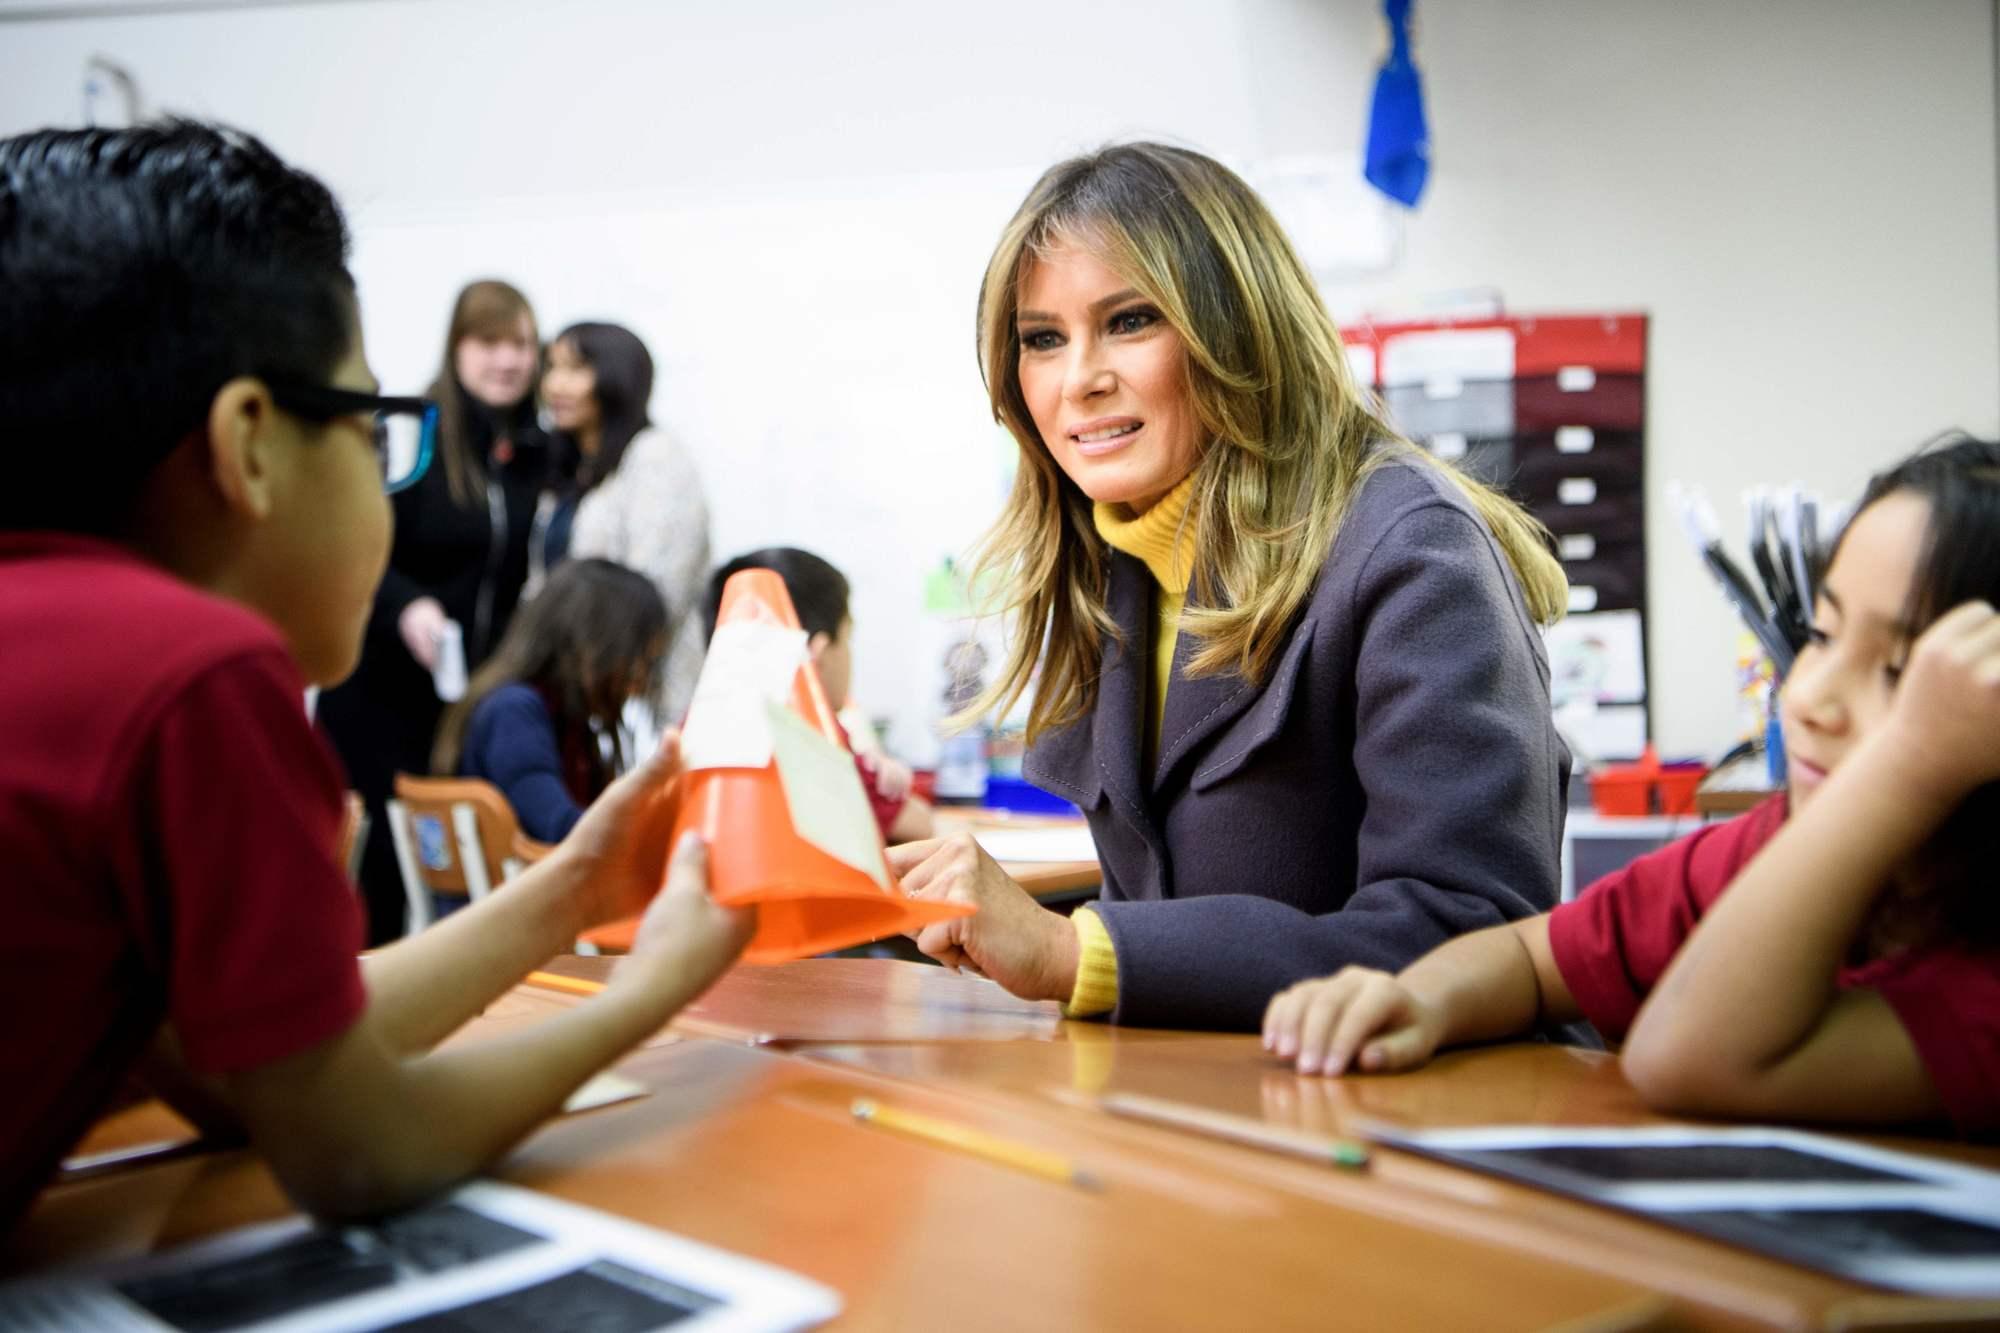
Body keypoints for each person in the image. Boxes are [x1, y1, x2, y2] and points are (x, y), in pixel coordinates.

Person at [0, 120, 752, 1234]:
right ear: (250, 443)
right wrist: (650, 991)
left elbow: (235, 1073)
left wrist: (578, 886)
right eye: (372, 423)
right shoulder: (191, 678)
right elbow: (356, 1144)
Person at [887, 143, 1571, 1030]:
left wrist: (1072, 951)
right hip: (1203, 1106)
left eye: (1130, 321)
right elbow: (1178, 900)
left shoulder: (1411, 547)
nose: (1080, 379)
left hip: (1404, 1124)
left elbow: (1467, 937)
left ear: (1237, 328)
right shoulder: (1111, 563)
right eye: (1042, 339)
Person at [1264, 435, 2000, 1134]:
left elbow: (1690, 1055)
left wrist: (1906, 764)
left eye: (1901, 672)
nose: (1806, 695)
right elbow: (1529, 956)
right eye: (1821, 634)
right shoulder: (1761, 844)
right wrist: (1418, 997)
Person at [317, 278, 555, 942]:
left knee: (457, 876)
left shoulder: (536, 453)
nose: (507, 360)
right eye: (489, 342)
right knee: (380, 881)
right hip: (381, 693)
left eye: (522, 344)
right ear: (457, 348)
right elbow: (362, 539)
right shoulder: (413, 432)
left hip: (468, 700)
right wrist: (406, 604)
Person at [702, 548, 935, 844]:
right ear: (821, 652)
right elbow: (921, 825)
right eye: (848, 639)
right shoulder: (811, 734)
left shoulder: (696, 727)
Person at [435, 558, 669, 844]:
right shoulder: (513, 712)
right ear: (593, 646)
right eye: (639, 659)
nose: (642, 677)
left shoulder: (566, 719)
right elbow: (559, 827)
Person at [554, 321, 712, 726]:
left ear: (616, 377)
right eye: (551, 368)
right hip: (577, 693)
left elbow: (656, 593)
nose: (555, 385)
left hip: (645, 696)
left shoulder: (656, 458)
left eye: (574, 370)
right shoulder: (574, 466)